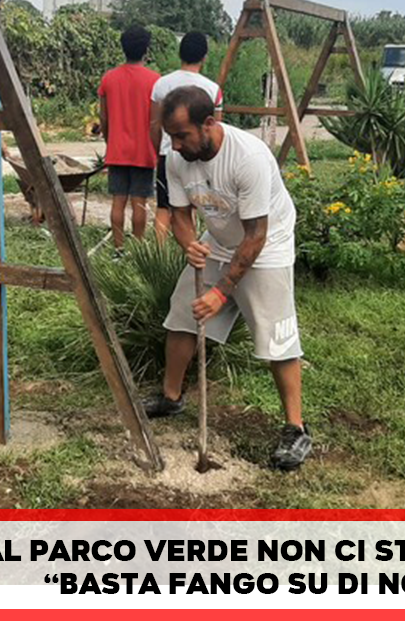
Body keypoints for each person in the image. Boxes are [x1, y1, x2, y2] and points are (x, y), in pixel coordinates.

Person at [143, 86, 309, 471]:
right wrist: (188, 244)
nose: (176, 145)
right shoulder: (177, 157)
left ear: (209, 123)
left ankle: (296, 428)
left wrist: (222, 292)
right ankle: (171, 397)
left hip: (267, 246)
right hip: (217, 241)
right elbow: (181, 215)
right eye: (171, 136)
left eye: (182, 135)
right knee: (183, 316)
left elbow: (255, 236)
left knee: (277, 336)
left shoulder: (247, 157)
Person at [149, 32, 223, 239]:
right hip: (198, 155)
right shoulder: (212, 88)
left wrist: (159, 153)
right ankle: (189, 252)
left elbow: (154, 125)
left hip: (168, 153)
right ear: (204, 57)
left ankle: (161, 256)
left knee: (163, 207)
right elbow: (216, 127)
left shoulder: (161, 84)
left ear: (180, 54)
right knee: (192, 206)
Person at [98, 26, 160, 258]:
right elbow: (156, 121)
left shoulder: (109, 78)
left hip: (117, 150)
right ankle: (138, 249)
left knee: (117, 201)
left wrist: (109, 140)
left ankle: (118, 249)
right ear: (146, 49)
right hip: (144, 151)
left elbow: (103, 117)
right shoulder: (155, 80)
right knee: (139, 203)